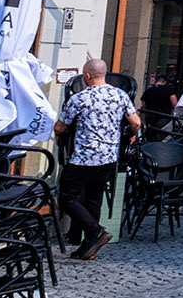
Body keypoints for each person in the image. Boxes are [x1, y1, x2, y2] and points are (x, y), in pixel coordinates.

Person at [56, 58, 140, 260]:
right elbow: (136, 122)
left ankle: (96, 231)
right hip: (109, 157)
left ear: (87, 76)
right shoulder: (120, 95)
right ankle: (89, 246)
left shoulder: (79, 98)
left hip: (84, 157)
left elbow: (60, 126)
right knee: (94, 199)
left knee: (66, 197)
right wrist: (131, 134)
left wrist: (58, 135)